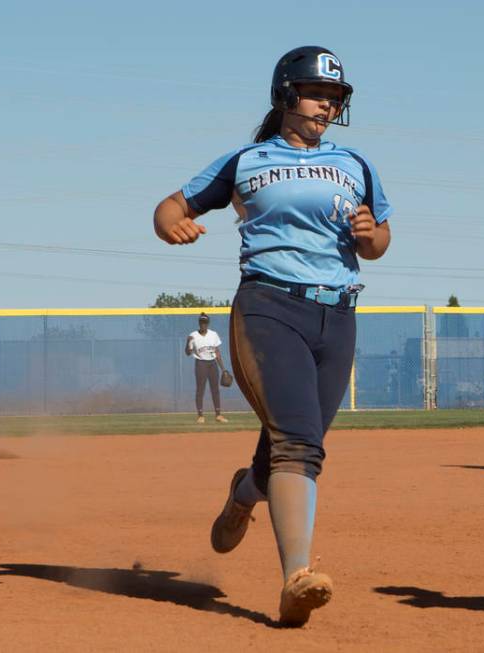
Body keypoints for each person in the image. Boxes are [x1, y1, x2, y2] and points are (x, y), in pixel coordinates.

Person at [153, 46, 392, 626]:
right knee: (300, 445)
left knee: (293, 445)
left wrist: (369, 234)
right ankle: (296, 578)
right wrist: (171, 225)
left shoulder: (355, 163)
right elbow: (171, 205)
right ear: (286, 95)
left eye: (334, 98)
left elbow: (380, 240)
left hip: (337, 318)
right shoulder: (248, 160)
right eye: (317, 94)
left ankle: (244, 494)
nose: (326, 106)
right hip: (268, 308)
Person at [186, 312, 229, 424]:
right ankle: (200, 415)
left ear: (208, 323)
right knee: (200, 389)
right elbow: (188, 353)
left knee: (215, 389)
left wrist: (223, 369)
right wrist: (188, 342)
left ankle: (218, 415)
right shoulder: (193, 336)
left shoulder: (213, 334)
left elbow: (217, 352)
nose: (203, 324)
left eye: (205, 322)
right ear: (199, 323)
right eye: (201, 322)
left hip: (212, 364)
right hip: (201, 364)